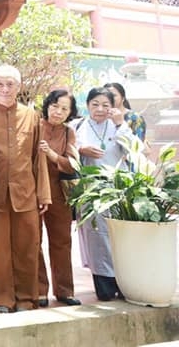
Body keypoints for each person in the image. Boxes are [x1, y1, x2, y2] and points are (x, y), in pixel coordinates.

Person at [0, 64, 50, 314]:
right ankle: (0, 300)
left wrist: (43, 193)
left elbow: (37, 158)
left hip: (25, 192)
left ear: (19, 87)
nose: (5, 89)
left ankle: (27, 298)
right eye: (0, 84)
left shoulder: (32, 116)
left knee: (28, 246)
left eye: (11, 84)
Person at [75, 86, 133, 301]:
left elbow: (131, 151)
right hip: (92, 192)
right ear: (87, 105)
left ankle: (125, 282)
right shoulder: (78, 126)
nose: (100, 109)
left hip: (118, 191)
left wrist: (120, 125)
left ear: (113, 106)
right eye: (95, 104)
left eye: (105, 105)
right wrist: (81, 151)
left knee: (120, 237)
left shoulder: (119, 126)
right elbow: (70, 155)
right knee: (97, 238)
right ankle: (105, 286)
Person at [37, 89, 82, 307]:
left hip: (60, 192)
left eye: (65, 108)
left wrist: (52, 155)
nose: (58, 111)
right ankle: (39, 291)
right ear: (47, 105)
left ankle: (64, 291)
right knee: (33, 241)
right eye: (55, 106)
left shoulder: (68, 132)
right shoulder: (35, 125)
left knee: (62, 242)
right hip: (34, 191)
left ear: (70, 112)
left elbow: (73, 162)